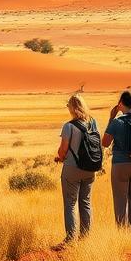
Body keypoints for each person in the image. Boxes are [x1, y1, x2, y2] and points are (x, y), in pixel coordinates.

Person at [102, 90, 131, 240]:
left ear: (121, 103)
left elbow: (105, 143)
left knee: (120, 199)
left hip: (120, 165)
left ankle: (123, 235)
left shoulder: (117, 122)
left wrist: (111, 118)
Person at [54, 93, 98, 243]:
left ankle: (71, 239)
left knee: (70, 203)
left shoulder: (69, 126)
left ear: (72, 107)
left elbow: (63, 150)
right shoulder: (93, 123)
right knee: (86, 202)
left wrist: (59, 158)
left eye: (68, 106)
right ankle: (86, 238)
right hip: (90, 169)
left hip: (72, 169)